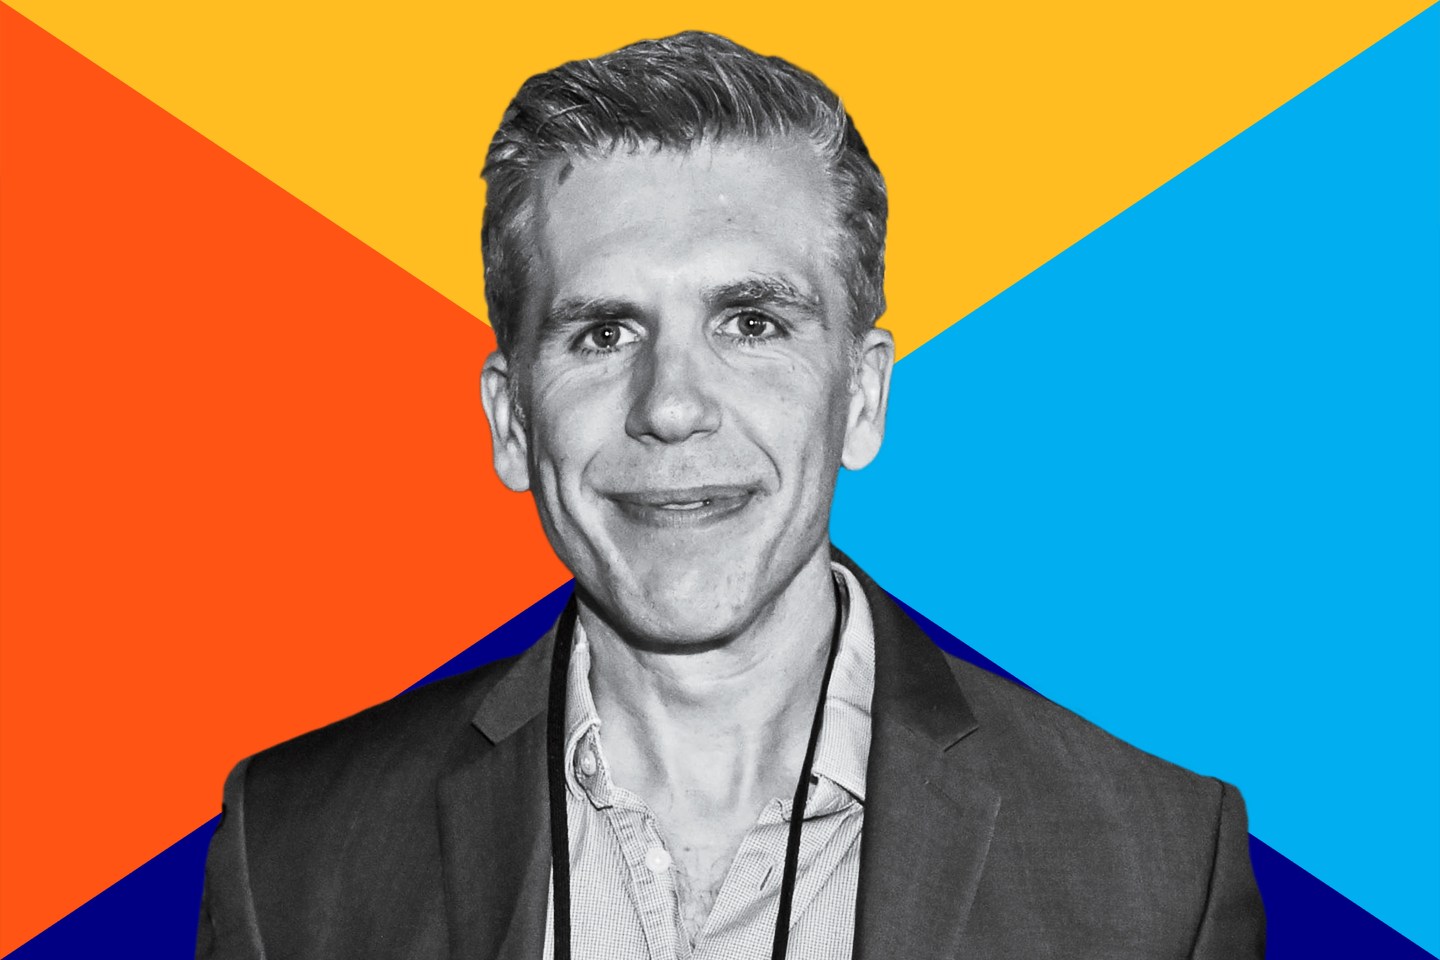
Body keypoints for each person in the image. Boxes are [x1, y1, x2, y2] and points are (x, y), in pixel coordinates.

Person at [196, 32, 1265, 960]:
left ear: (862, 397)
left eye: (751, 324)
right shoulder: (290, 854)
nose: (671, 406)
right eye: (603, 333)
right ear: (512, 420)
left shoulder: (1158, 874)